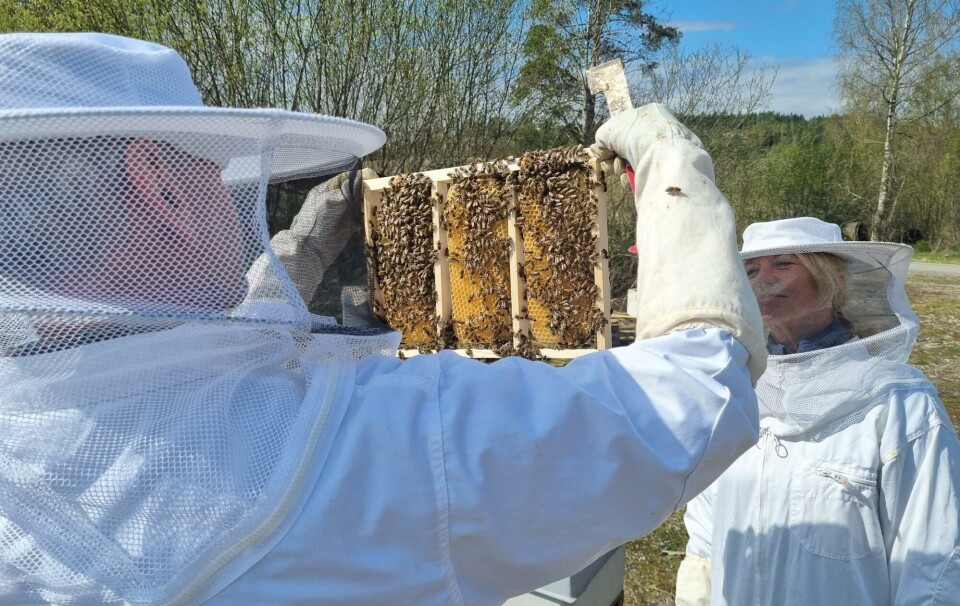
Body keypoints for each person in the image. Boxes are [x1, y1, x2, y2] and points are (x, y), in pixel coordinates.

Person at [0, 32, 766, 606]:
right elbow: (691, 402)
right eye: (212, 168)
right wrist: (675, 176)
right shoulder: (369, 451)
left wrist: (286, 270)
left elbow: (167, 370)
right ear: (158, 187)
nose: (232, 191)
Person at [675, 217, 960, 605]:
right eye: (752, 269)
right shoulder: (733, 394)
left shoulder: (899, 404)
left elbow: (933, 560)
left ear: (833, 278)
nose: (763, 279)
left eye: (784, 264)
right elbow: (706, 532)